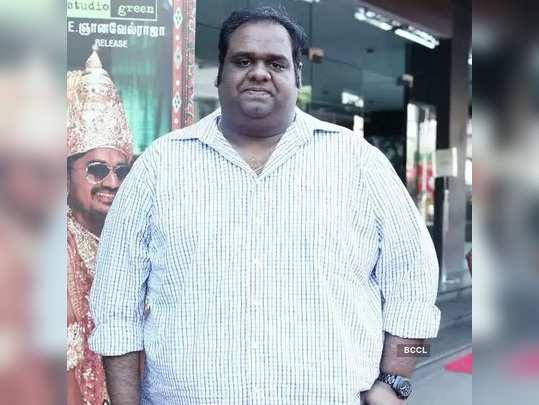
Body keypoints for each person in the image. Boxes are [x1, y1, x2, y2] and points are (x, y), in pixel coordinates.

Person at [89, 7, 440, 405]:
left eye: (276, 63)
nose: (259, 73)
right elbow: (116, 304)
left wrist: (396, 381)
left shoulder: (360, 163)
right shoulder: (160, 165)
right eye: (243, 61)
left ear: (298, 76)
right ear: (219, 72)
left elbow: (416, 284)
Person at [67, 48, 133, 405]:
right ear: (65, 174)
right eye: (96, 170)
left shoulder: (133, 242)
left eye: (121, 171)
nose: (112, 182)